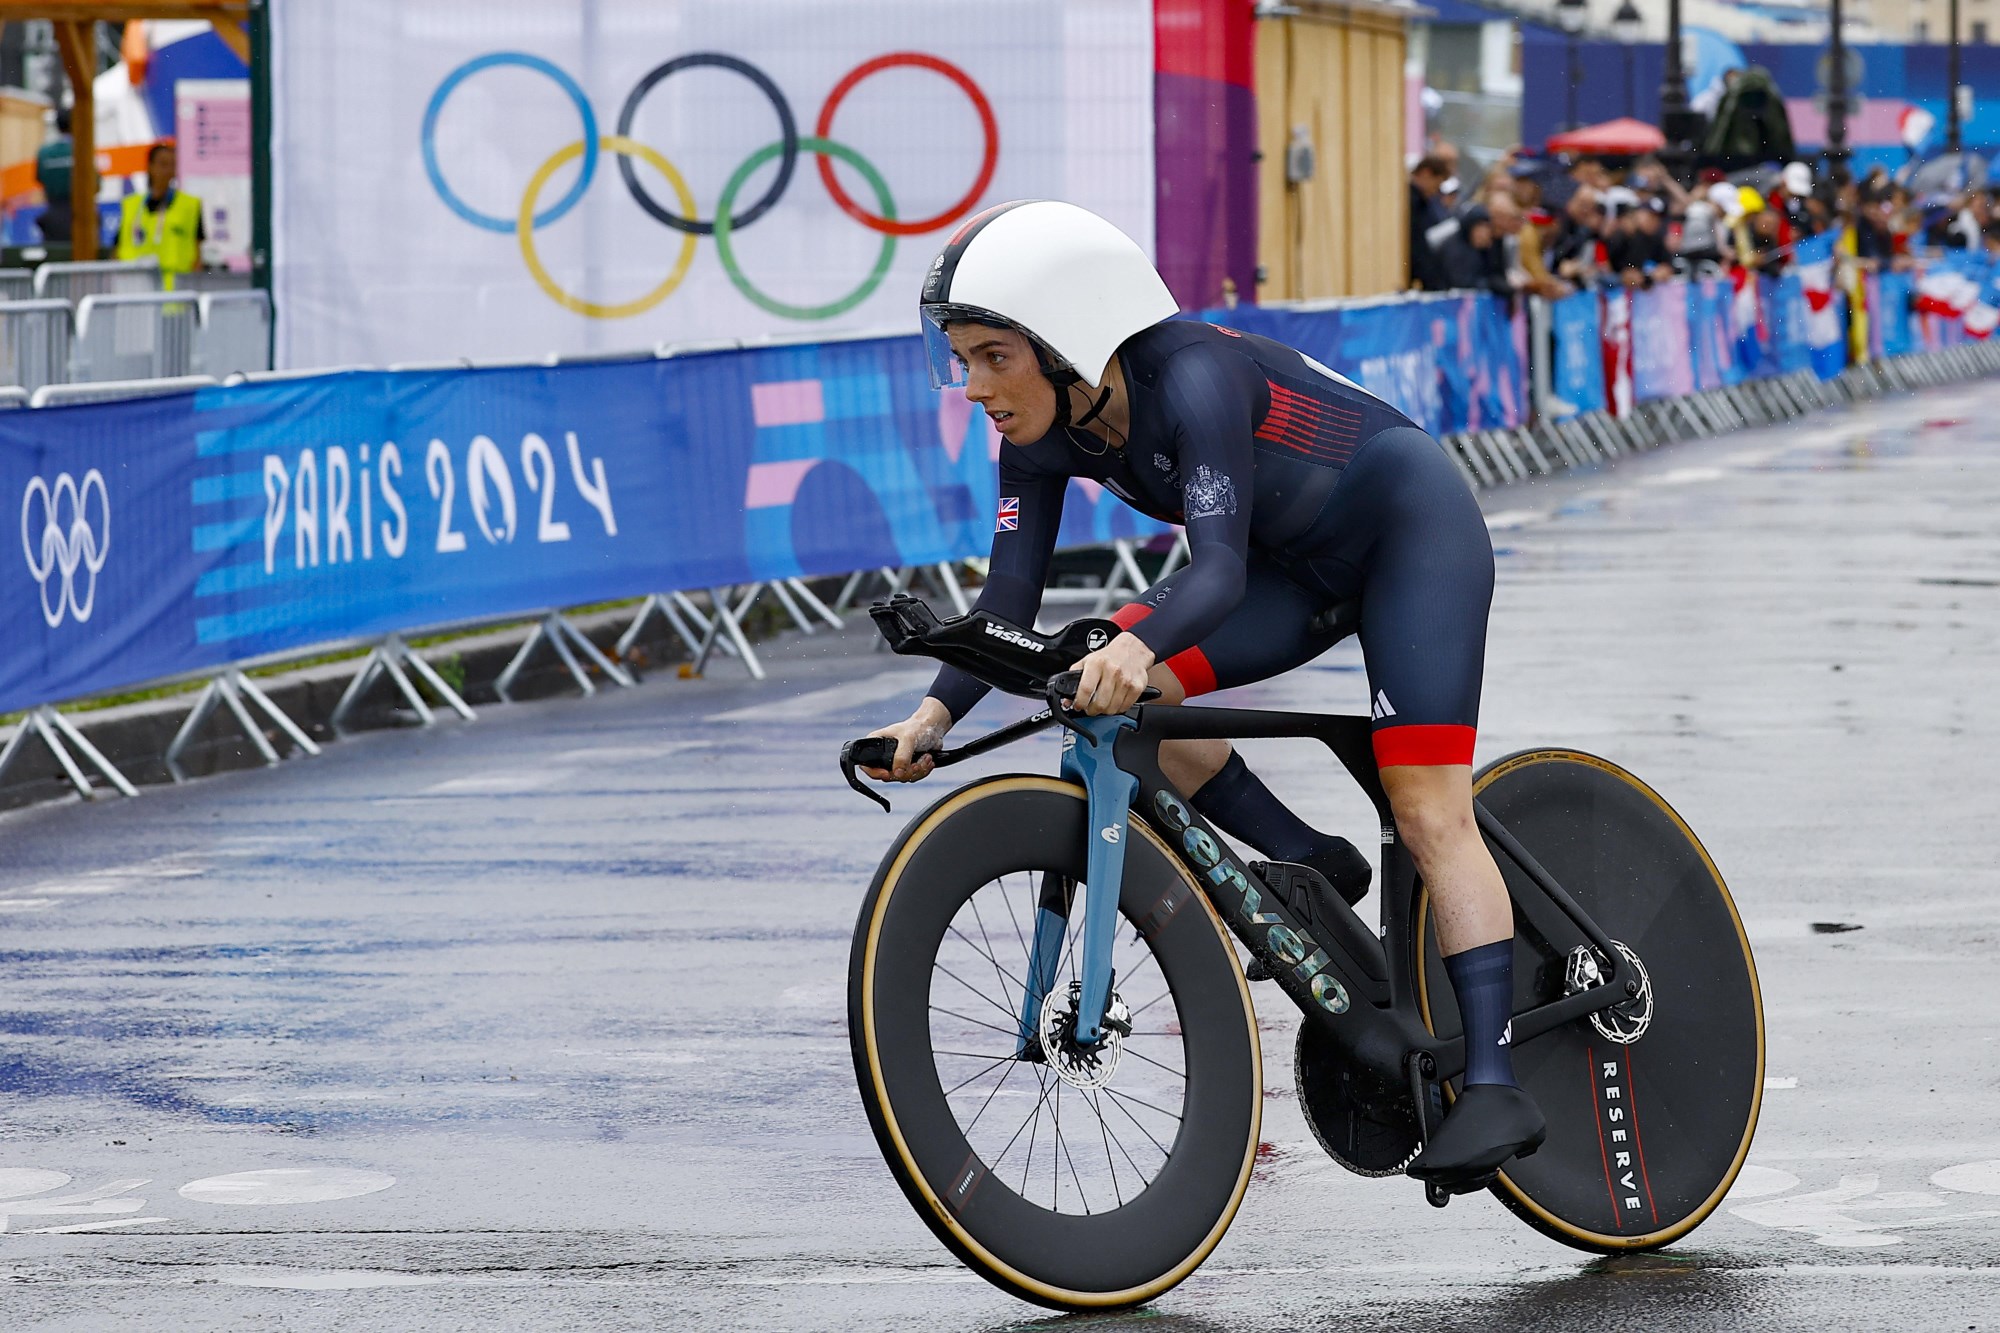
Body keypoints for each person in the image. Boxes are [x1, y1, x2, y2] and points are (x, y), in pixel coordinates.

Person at [866, 200, 1546, 1187]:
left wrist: (1136, 644)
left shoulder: (1191, 376)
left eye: (992, 357)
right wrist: (930, 717)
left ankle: (1493, 1081)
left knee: (1427, 808)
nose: (973, 387)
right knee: (1104, 691)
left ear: (1068, 342)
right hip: (1288, 570)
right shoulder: (1040, 429)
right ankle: (1307, 856)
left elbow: (1215, 572)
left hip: (1408, 538)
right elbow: (1006, 602)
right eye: (961, 359)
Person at [114, 142, 204, 289]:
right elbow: (117, 249)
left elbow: (198, 252)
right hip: (135, 287)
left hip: (175, 290)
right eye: (163, 164)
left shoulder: (190, 205)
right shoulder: (131, 205)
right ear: (150, 167)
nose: (168, 170)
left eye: (172, 165)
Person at [1408, 156, 1452, 291]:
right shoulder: (1414, 202)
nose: (1435, 191)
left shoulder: (1424, 203)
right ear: (1426, 173)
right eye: (1437, 184)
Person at [34, 106, 74, 245]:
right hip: (79, 216)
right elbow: (96, 184)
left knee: (54, 254)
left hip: (52, 216)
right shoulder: (83, 150)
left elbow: (39, 179)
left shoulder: (44, 152)